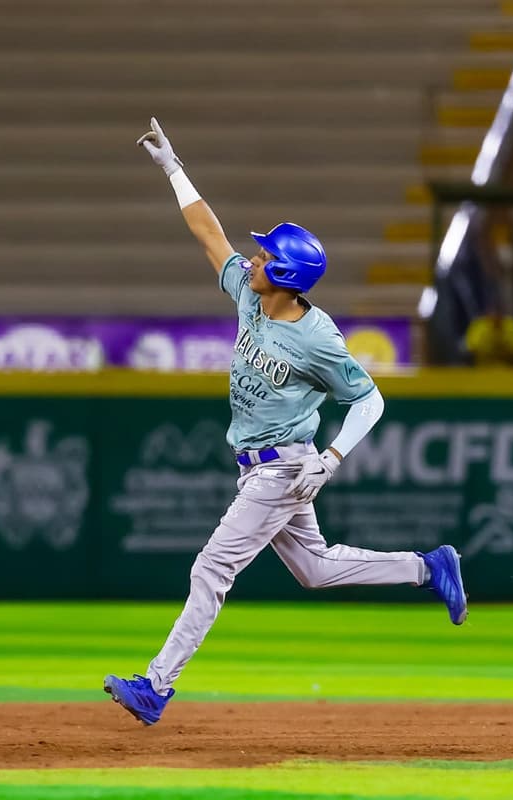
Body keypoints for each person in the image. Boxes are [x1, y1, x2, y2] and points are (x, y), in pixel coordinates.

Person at [102, 119, 469, 727]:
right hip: (262, 466)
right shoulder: (250, 294)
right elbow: (209, 234)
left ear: (288, 278)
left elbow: (370, 400)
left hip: (285, 467)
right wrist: (172, 167)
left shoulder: (318, 338)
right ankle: (429, 568)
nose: (254, 257)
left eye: (267, 256)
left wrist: (332, 459)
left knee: (210, 568)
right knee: (316, 569)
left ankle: (155, 686)